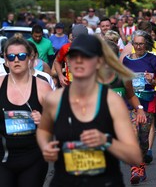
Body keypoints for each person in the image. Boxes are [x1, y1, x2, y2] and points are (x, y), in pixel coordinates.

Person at [36, 34, 142, 186]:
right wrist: (45, 145)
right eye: (73, 56)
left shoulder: (112, 102)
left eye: (86, 56)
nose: (78, 61)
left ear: (99, 62)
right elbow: (43, 130)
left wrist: (106, 141)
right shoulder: (55, 100)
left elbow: (135, 156)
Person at [0, 34, 53, 187]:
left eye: (22, 56)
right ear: (6, 59)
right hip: (3, 158)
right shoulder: (0, 83)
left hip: (34, 159)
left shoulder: (43, 87)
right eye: (11, 56)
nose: (16, 60)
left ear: (30, 58)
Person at [122, 30, 156, 184]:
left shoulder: (153, 60)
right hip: (129, 103)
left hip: (148, 101)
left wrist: (153, 81)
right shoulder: (126, 61)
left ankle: (141, 163)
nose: (138, 46)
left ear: (147, 44)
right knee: (133, 133)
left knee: (143, 137)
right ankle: (135, 167)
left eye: (141, 43)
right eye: (135, 43)